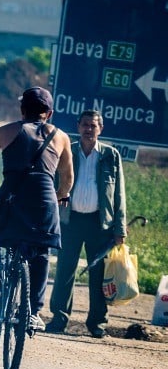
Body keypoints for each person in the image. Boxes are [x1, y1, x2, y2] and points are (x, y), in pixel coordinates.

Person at [0, 86, 74, 331]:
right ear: (50, 112)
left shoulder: (7, 131)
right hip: (44, 202)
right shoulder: (61, 137)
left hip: (12, 198)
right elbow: (67, 177)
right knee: (42, 251)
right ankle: (34, 311)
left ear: (22, 109)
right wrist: (59, 197)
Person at [46, 110, 126, 338]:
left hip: (99, 224)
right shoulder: (67, 151)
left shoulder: (110, 155)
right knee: (64, 271)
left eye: (93, 125)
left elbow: (119, 194)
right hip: (69, 221)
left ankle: (97, 324)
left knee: (98, 275)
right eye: (85, 125)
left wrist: (119, 229)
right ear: (78, 127)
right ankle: (59, 318)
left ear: (100, 129)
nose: (89, 129)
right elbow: (52, 184)